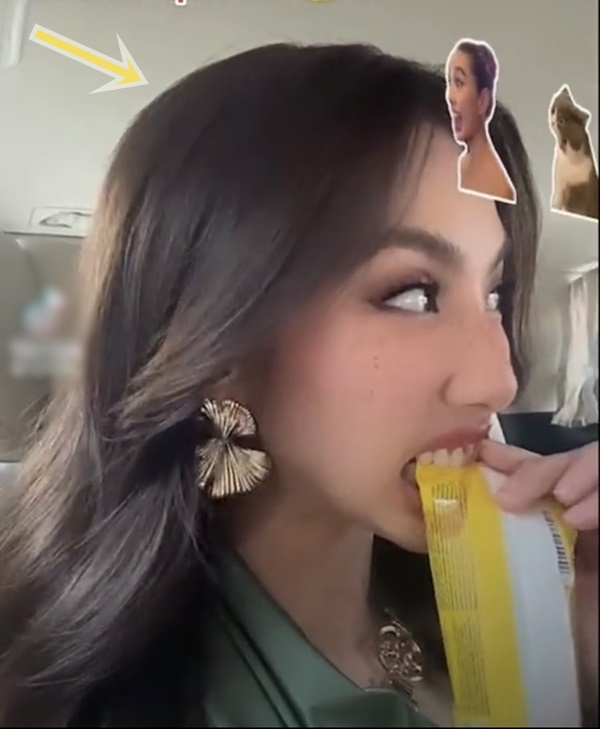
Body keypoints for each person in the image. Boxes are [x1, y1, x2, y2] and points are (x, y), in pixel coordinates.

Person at [0, 43, 597, 728]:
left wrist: (575, 662)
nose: (498, 381)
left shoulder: (491, 597)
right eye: (412, 295)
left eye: (494, 295)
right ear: (218, 346)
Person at [445, 39, 517, 204]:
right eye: (450, 83)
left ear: (482, 100)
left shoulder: (500, 188)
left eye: (459, 83)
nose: (450, 96)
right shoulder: (460, 164)